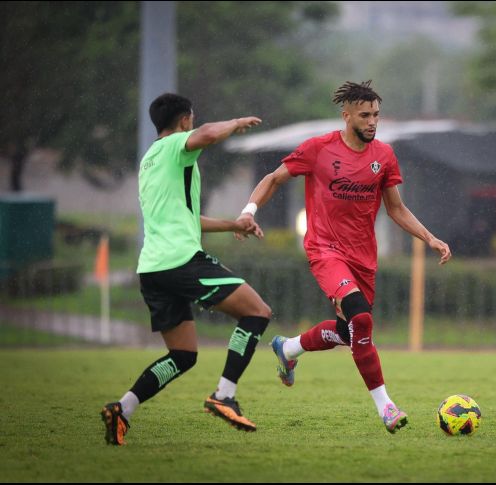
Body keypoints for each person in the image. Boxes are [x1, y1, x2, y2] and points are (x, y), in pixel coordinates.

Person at [236, 80, 452, 433]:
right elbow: (274, 179)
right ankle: (387, 407)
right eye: (365, 115)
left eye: (376, 115)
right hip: (325, 250)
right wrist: (249, 211)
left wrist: (430, 238)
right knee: (361, 323)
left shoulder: (384, 156)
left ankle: (288, 348)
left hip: (363, 257)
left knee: (349, 330)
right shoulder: (318, 149)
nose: (372, 122)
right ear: (346, 115)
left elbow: (396, 209)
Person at [101, 93, 272, 446]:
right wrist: (236, 123)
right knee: (257, 312)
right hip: (180, 261)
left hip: (152, 268)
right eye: (191, 119)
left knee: (182, 355)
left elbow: (188, 219)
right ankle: (223, 395)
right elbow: (208, 134)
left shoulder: (150, 160)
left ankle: (123, 409)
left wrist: (233, 225)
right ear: (184, 120)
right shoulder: (177, 146)